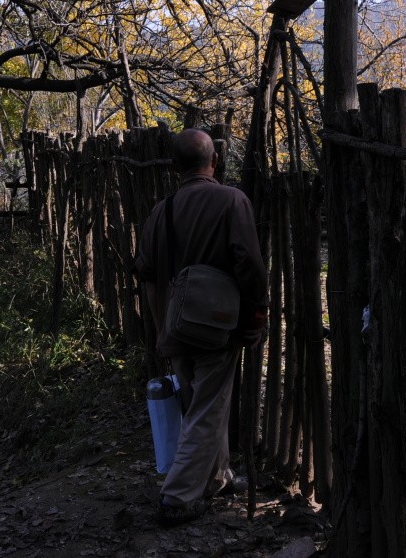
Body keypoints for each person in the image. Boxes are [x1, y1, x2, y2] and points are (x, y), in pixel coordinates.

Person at [135, 128, 268, 527]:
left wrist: (163, 325)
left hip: (174, 326)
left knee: (200, 404)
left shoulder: (163, 210)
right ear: (215, 161)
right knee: (207, 411)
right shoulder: (232, 200)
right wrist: (255, 318)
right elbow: (250, 265)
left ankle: (217, 477)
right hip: (215, 327)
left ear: (176, 167)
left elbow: (144, 269)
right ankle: (177, 497)